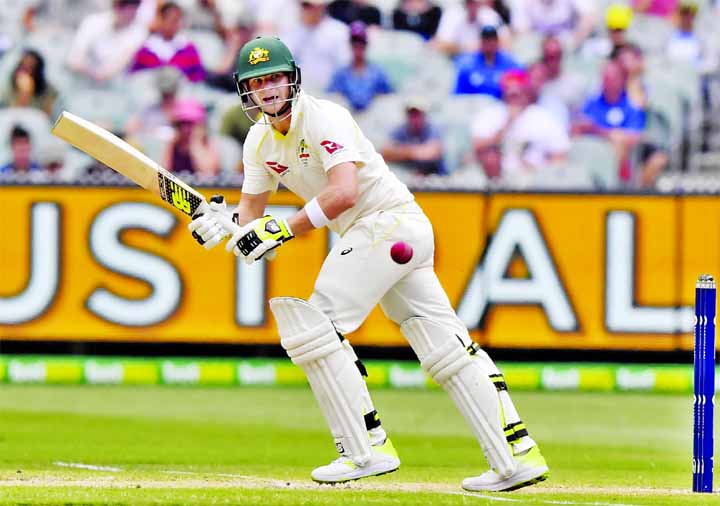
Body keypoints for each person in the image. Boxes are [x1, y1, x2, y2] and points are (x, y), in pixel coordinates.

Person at [188, 35, 549, 491]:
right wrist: (221, 227)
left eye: (276, 78)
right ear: (247, 91)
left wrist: (282, 229)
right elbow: (253, 227)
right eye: (259, 82)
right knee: (443, 346)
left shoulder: (324, 117)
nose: (270, 89)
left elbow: (344, 193)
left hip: (387, 223)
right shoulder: (258, 142)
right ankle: (516, 455)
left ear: (293, 79)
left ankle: (366, 449)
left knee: (314, 324)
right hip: (386, 236)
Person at [472, 69, 569, 180]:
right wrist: (506, 125)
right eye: (510, 92)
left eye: (517, 92)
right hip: (497, 181)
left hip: (535, 182)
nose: (514, 95)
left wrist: (541, 172)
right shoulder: (490, 114)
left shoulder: (544, 117)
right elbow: (477, 147)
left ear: (526, 91)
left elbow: (560, 155)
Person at [66, 0, 151, 83]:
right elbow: (74, 57)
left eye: (135, 9)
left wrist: (100, 74)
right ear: (117, 7)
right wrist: (83, 68)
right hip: (80, 77)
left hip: (113, 84)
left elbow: (117, 66)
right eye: (129, 10)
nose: (132, 14)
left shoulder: (139, 33)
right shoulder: (94, 21)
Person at [281, 0, 350, 92]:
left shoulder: (339, 32)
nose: (307, 9)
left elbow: (345, 67)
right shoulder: (290, 32)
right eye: (304, 5)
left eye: (309, 5)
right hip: (300, 95)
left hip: (331, 95)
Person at [130, 2, 206, 82]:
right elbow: (135, 78)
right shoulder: (146, 49)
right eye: (171, 20)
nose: (175, 25)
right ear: (161, 20)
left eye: (177, 20)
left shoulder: (188, 49)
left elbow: (198, 78)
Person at [326, 21, 393, 112]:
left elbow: (389, 96)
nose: (358, 47)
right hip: (348, 117)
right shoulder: (341, 74)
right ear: (350, 45)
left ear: (366, 45)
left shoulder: (377, 73)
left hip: (372, 118)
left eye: (361, 43)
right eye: (354, 43)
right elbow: (330, 97)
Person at [453, 25, 521, 98]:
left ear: (497, 42)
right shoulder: (467, 65)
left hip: (501, 106)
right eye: (486, 40)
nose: (489, 44)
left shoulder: (510, 64)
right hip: (474, 106)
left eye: (492, 40)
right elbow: (459, 95)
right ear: (481, 42)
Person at [381, 97, 445, 175]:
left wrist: (401, 151)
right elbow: (385, 152)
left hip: (435, 175)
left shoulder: (432, 128)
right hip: (410, 175)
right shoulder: (401, 129)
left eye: (418, 115)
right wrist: (415, 151)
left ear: (424, 115)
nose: (415, 119)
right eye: (412, 115)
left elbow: (433, 152)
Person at [163, 98, 220, 176]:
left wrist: (195, 143)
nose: (185, 129)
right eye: (182, 123)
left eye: (190, 124)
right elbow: (165, 173)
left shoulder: (209, 144)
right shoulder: (173, 144)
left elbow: (209, 173)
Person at [432, 0, 510, 57]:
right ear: (466, 3)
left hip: (486, 59)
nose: (474, 6)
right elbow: (440, 43)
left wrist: (481, 46)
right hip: (456, 59)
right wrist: (465, 48)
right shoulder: (452, 15)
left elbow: (505, 41)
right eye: (471, 2)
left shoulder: (489, 15)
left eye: (477, 3)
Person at [0, 49, 58, 117]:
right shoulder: (7, 85)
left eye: (30, 68)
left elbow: (44, 120)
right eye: (22, 66)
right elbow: (12, 118)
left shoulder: (48, 92)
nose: (24, 72)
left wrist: (26, 92)